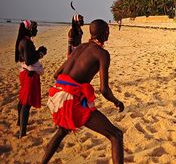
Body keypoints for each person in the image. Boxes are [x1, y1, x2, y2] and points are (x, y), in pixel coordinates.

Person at [42, 19, 125, 164]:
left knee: (62, 131)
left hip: (56, 94)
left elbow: (57, 74)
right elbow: (104, 89)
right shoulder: (102, 54)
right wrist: (116, 101)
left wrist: (77, 85)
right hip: (69, 100)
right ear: (105, 33)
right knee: (116, 135)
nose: (109, 34)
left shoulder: (80, 47)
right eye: (108, 31)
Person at [15, 20, 47, 138]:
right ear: (28, 29)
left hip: (26, 73)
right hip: (29, 75)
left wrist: (38, 52)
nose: (36, 30)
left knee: (23, 99)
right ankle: (22, 133)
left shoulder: (24, 40)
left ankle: (20, 123)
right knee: (26, 103)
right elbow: (29, 60)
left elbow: (26, 57)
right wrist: (41, 53)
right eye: (34, 28)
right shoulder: (26, 42)